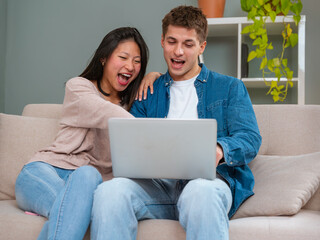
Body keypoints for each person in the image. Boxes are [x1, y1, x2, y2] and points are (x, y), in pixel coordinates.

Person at [90, 6, 262, 240]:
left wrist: (219, 149)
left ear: (202, 46)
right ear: (162, 41)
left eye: (188, 44)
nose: (178, 51)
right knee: (109, 191)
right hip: (156, 188)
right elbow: (132, 140)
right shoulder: (148, 92)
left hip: (205, 184)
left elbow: (250, 139)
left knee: (201, 192)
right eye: (172, 41)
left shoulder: (230, 88)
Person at [15, 27, 153, 240]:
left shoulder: (135, 105)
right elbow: (106, 112)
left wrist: (154, 78)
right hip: (45, 172)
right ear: (104, 59)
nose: (130, 66)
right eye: (123, 57)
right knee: (80, 199)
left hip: (89, 183)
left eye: (137, 61)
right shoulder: (79, 88)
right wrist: (146, 130)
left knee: (87, 177)